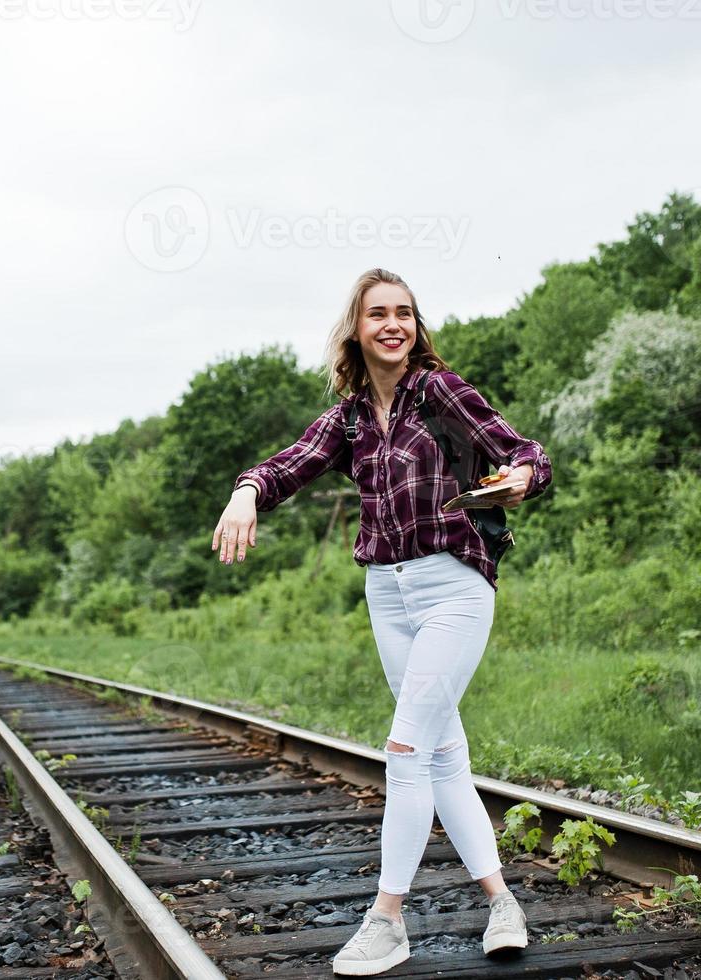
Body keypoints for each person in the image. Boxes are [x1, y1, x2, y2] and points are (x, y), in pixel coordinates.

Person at [211, 268, 552, 975]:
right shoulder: (349, 418)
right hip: (386, 594)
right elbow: (288, 465)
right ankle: (500, 904)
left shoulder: (441, 391)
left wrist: (521, 477)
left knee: (402, 751)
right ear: (357, 329)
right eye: (377, 315)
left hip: (453, 585)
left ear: (415, 326)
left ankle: (386, 920)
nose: (392, 324)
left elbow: (520, 450)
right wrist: (246, 491)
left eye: (404, 312)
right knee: (440, 752)